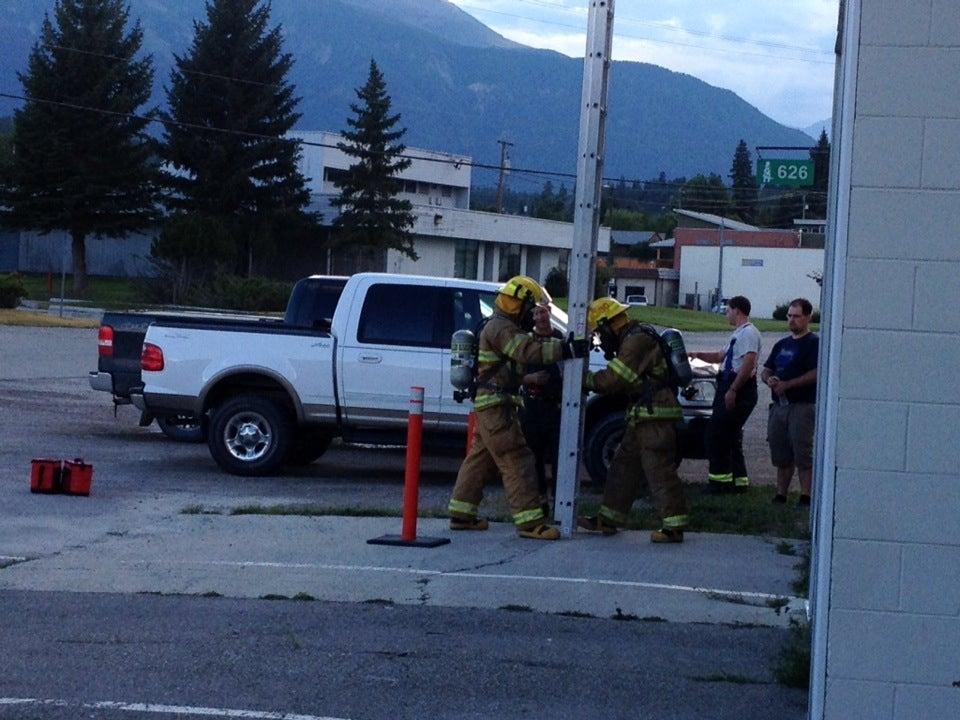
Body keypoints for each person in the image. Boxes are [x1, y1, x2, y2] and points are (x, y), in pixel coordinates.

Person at [447, 275, 586, 540]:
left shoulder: (499, 325)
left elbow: (530, 346)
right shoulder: (501, 328)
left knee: (480, 458)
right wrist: (566, 350)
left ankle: (461, 514)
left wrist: (561, 345)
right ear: (518, 304)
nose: (532, 316)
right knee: (517, 457)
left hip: (491, 403)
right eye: (530, 309)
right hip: (497, 405)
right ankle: (530, 522)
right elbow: (527, 351)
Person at [577, 297, 689, 543]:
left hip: (655, 416)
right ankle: (608, 519)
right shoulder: (632, 337)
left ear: (608, 324)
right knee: (622, 467)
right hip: (642, 414)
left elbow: (616, 379)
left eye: (599, 332)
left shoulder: (636, 341)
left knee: (658, 470)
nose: (600, 339)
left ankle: (674, 527)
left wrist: (583, 380)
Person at [688, 295, 761, 494]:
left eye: (728, 310)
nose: (726, 314)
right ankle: (738, 482)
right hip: (729, 385)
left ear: (737, 310)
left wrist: (733, 390)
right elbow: (720, 356)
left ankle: (719, 483)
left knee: (716, 434)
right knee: (731, 435)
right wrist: (697, 354)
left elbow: (748, 363)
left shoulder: (749, 333)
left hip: (738, 388)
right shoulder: (738, 334)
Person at [761, 298, 818, 507]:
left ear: (808, 317)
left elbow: (816, 373)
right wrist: (770, 379)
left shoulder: (813, 343)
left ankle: (806, 496)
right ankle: (781, 494)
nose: (792, 320)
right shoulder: (782, 344)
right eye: (789, 316)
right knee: (781, 452)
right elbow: (766, 370)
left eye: (797, 316)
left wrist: (789, 384)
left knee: (802, 452)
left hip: (801, 406)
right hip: (779, 407)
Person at [518, 302, 563, 511]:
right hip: (531, 406)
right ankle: (540, 500)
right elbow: (514, 375)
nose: (539, 317)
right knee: (533, 456)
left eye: (542, 312)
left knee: (558, 456)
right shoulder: (526, 340)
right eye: (535, 313)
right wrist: (531, 378)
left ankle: (559, 501)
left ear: (550, 312)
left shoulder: (560, 339)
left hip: (555, 407)